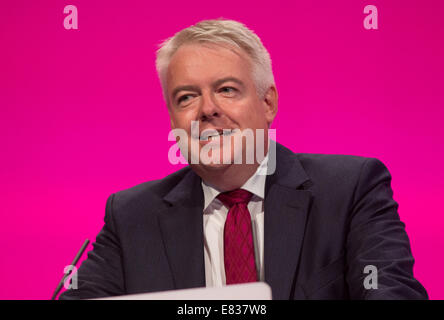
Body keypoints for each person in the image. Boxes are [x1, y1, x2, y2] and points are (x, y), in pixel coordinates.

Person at [60, 19, 427, 300]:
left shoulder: (350, 191)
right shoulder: (130, 216)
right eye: (186, 97)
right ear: (172, 118)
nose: (207, 109)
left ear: (268, 103)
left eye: (226, 90)